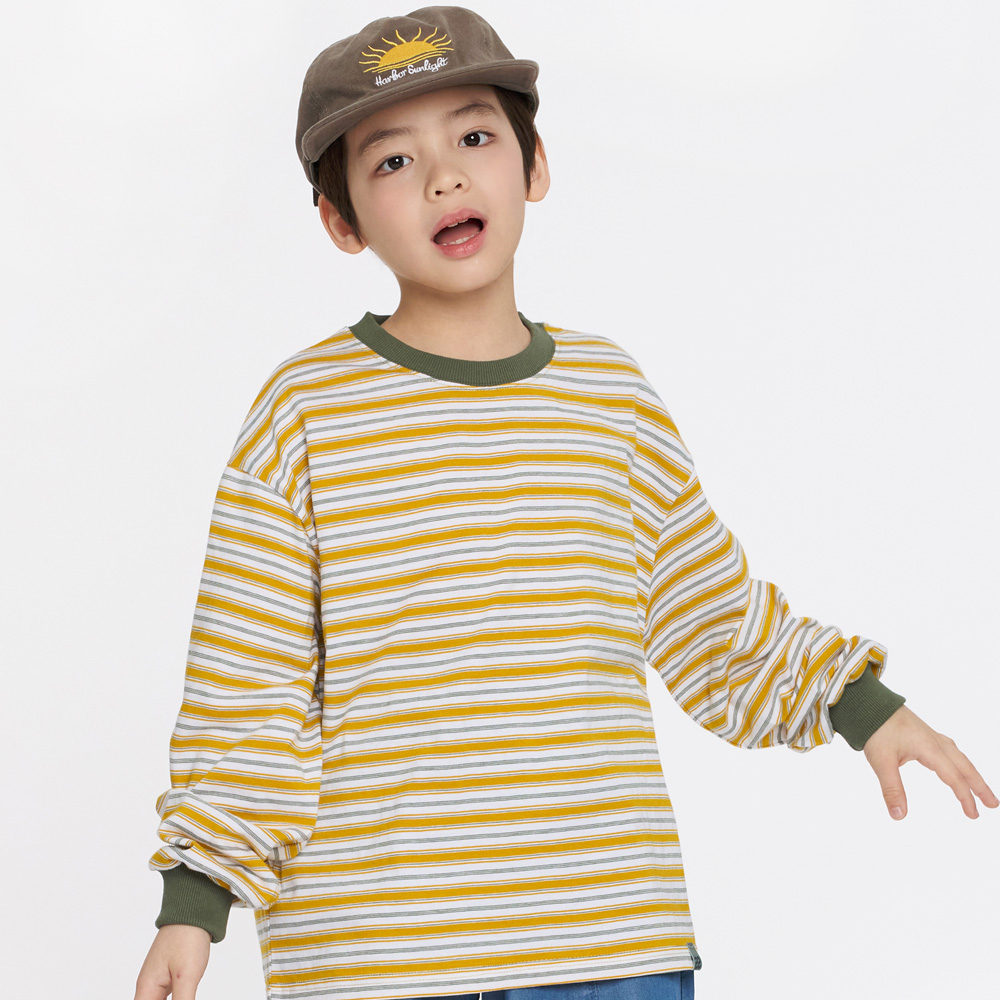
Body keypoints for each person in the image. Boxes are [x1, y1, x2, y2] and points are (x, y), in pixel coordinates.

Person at [132, 7, 998, 1000]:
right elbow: (248, 679)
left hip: (608, 943)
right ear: (340, 220)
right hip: (382, 954)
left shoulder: (608, 397)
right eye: (393, 162)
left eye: (473, 137)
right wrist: (195, 898)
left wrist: (859, 705)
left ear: (534, 164)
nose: (444, 177)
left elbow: (711, 617)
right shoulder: (305, 413)